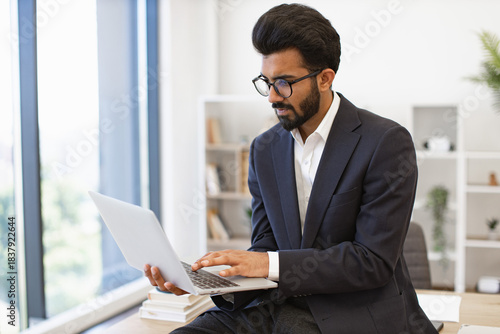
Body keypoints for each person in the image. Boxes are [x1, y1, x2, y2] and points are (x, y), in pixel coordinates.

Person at [145, 3, 438, 333]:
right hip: (274, 304)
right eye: (265, 81)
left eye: (283, 83)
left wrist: (266, 263)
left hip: (347, 312)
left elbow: (371, 262)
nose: (271, 96)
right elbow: (265, 245)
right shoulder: (264, 148)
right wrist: (210, 281)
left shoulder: (385, 142)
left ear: (325, 79)